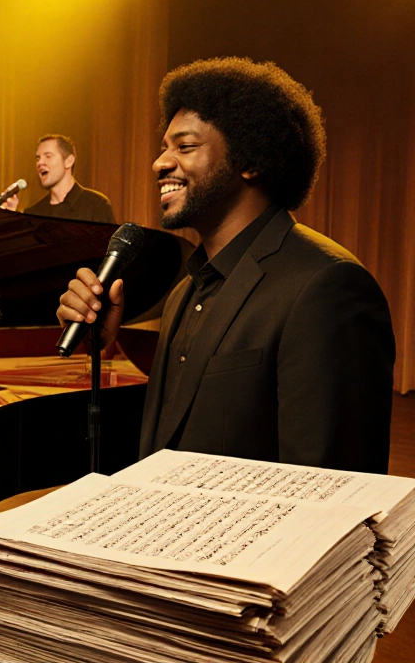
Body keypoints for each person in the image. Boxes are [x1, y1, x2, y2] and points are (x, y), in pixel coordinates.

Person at [56, 57, 395, 472]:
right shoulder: (184, 291)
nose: (159, 163)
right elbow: (165, 448)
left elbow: (330, 490)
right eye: (164, 148)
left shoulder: (328, 286)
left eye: (185, 146)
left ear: (250, 159)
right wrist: (100, 350)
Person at [0, 134, 116, 223]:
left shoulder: (96, 205)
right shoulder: (34, 213)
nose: (40, 162)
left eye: (48, 156)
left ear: (68, 161)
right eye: (38, 158)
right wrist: (11, 219)